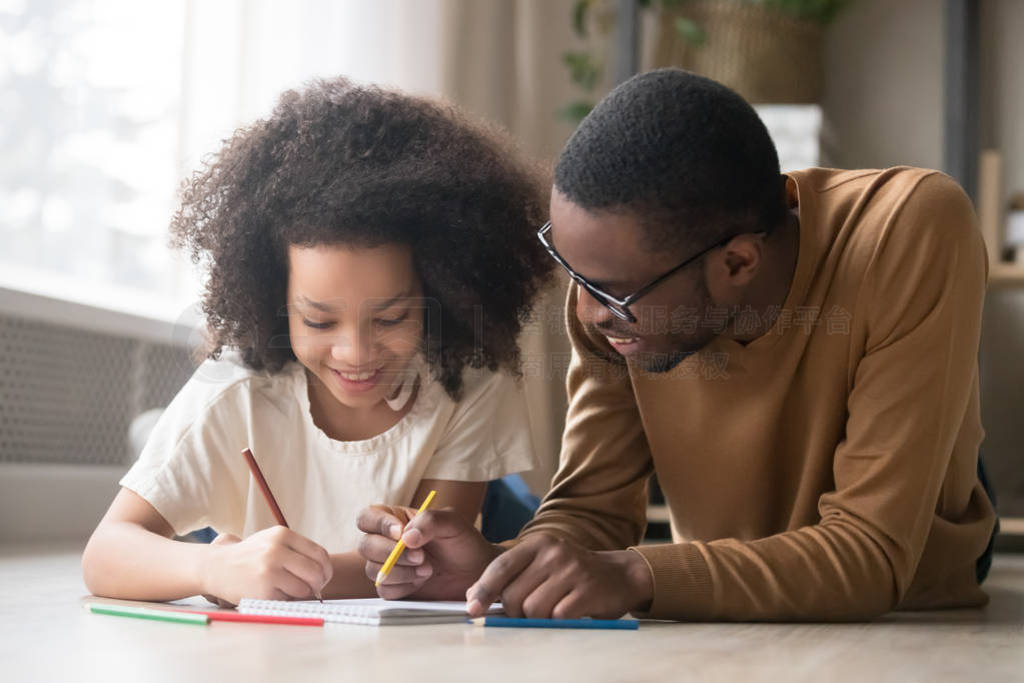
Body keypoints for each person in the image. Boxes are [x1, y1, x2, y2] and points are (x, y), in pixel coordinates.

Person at [357, 68, 998, 621]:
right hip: (723, 614)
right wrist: (495, 567)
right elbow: (588, 514)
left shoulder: (906, 228)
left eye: (612, 292)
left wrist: (637, 574)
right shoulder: (616, 297)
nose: (586, 313)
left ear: (739, 263)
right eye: (574, 275)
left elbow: (873, 555)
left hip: (906, 614)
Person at [81, 77, 553, 606]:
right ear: (273, 303)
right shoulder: (233, 390)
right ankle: (160, 439)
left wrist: (311, 573)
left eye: (392, 317)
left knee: (521, 527)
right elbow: (105, 553)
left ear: (442, 292)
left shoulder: (468, 379)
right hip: (247, 511)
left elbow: (427, 568)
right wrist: (213, 567)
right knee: (182, 485)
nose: (356, 353)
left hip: (500, 511)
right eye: (320, 322)